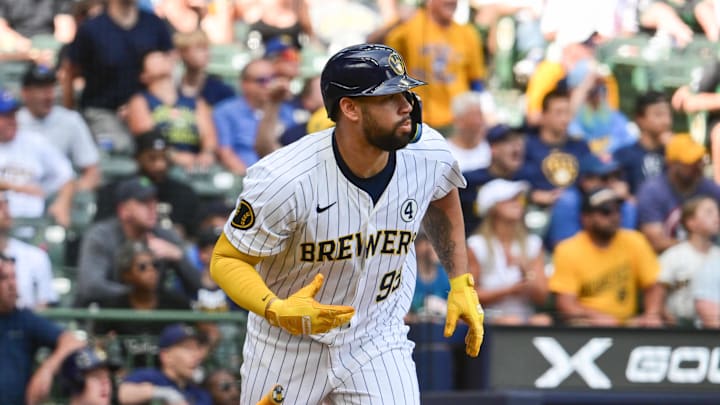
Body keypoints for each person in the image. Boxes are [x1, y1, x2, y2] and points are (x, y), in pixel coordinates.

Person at [210, 44, 484, 404]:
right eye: (389, 97)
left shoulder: (428, 151)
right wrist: (274, 308)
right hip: (287, 342)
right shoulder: (285, 178)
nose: (407, 105)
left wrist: (460, 280)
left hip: (375, 336)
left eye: (406, 92)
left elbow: (442, 192)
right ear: (349, 108)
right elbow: (226, 260)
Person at [63, 0, 173, 153]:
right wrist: (69, 115)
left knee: (161, 146)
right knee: (121, 149)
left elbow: (168, 68)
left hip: (148, 108)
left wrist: (138, 108)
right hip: (102, 110)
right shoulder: (91, 28)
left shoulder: (154, 24)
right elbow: (70, 71)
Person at [76, 176, 202, 305]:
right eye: (144, 202)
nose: (153, 207)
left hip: (151, 318)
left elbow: (201, 288)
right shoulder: (101, 236)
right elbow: (91, 287)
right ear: (123, 210)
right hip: (106, 316)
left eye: (154, 201)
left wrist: (179, 257)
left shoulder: (163, 235)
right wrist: (140, 296)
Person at [550, 187, 664, 327]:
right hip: (588, 324)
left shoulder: (635, 241)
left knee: (653, 324)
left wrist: (651, 314)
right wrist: (594, 316)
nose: (614, 217)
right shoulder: (568, 249)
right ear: (586, 218)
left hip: (628, 323)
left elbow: (654, 285)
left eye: (617, 211)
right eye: (606, 212)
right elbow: (566, 304)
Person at [385, 0, 487, 131]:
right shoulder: (409, 26)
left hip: (456, 122)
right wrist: (398, 20)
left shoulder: (468, 34)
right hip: (417, 118)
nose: (452, 2)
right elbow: (388, 60)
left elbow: (476, 80)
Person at [0, 253, 86, 405]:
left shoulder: (23, 319)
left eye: (14, 277)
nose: (12, 284)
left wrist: (47, 369)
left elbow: (73, 342)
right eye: (3, 278)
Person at [467, 179, 551, 325]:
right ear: (493, 207)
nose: (518, 204)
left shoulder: (533, 244)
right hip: (486, 319)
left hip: (523, 317)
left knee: (543, 321)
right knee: (511, 321)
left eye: (518, 199)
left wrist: (527, 270)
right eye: (510, 200)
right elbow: (469, 296)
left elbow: (542, 297)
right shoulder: (476, 245)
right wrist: (509, 291)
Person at [94, 130, 202, 238]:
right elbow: (102, 230)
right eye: (152, 158)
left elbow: (195, 236)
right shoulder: (116, 191)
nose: (160, 165)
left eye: (164, 158)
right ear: (137, 158)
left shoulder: (184, 193)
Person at [126, 50, 218, 172]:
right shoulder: (140, 101)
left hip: (196, 163)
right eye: (154, 59)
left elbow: (209, 135)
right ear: (144, 76)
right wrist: (174, 156)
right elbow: (147, 136)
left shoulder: (195, 101)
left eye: (163, 57)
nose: (161, 60)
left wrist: (207, 153)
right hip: (162, 164)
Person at [17, 63, 101, 191]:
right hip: (20, 193)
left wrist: (70, 195)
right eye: (41, 89)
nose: (48, 96)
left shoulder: (70, 120)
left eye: (50, 88)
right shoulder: (13, 123)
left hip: (59, 195)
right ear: (25, 93)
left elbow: (92, 171)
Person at [0, 88, 75, 227]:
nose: (12, 120)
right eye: (6, 116)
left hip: (34, 224)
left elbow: (66, 176)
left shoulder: (34, 142)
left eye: (13, 114)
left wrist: (62, 203)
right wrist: (19, 188)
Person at [636, 134, 720, 253]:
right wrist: (697, 244)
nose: (697, 166)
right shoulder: (652, 191)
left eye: (699, 161)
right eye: (690, 162)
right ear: (672, 164)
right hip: (668, 261)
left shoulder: (707, 187)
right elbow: (656, 243)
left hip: (708, 255)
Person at [213, 58, 296, 175]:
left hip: (282, 177)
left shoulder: (286, 111)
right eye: (262, 80)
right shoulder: (225, 111)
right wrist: (250, 181)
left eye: (272, 79)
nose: (269, 85)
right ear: (245, 84)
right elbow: (226, 153)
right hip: (243, 178)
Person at [546, 155, 636, 250]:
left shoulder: (622, 203)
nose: (612, 183)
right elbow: (564, 248)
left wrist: (624, 201)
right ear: (585, 181)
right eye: (605, 178)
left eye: (616, 176)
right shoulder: (569, 201)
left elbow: (625, 246)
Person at [521, 89, 592, 204]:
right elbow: (516, 180)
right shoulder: (527, 148)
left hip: (576, 206)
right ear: (544, 115)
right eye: (558, 113)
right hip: (538, 210)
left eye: (567, 113)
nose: (565, 119)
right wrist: (532, 195)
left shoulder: (580, 146)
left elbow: (591, 178)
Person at [658, 196, 720, 326]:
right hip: (678, 327)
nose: (717, 217)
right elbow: (658, 295)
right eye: (709, 212)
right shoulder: (674, 255)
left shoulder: (717, 255)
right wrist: (671, 322)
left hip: (713, 327)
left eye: (717, 212)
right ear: (690, 222)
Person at [118, 323, 212, 405]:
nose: (196, 355)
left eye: (197, 349)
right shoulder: (149, 376)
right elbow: (123, 394)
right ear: (166, 356)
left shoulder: (199, 393)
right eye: (188, 348)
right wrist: (165, 394)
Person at [461, 124, 527, 235]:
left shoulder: (525, 179)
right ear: (493, 148)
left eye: (519, 141)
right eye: (509, 142)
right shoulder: (468, 181)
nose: (517, 147)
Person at [0, 191, 56, 309]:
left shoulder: (36, 256)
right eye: (0, 206)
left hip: (23, 325)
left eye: (6, 205)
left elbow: (44, 305)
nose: (5, 211)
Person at [613, 91, 672, 195]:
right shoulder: (624, 155)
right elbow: (622, 192)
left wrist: (675, 150)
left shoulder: (673, 153)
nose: (666, 121)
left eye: (668, 115)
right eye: (658, 115)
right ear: (640, 119)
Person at [175, 29, 236, 107]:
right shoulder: (172, 87)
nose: (206, 53)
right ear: (182, 53)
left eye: (207, 48)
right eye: (199, 48)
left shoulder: (221, 90)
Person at [446, 91, 491, 172]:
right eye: (475, 116)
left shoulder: (491, 146)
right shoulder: (444, 152)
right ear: (459, 121)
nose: (480, 121)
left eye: (480, 114)